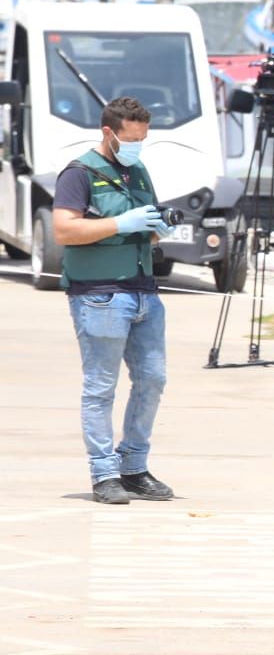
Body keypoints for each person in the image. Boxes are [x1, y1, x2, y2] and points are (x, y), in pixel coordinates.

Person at [51, 97, 173, 505]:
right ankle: (104, 473)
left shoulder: (138, 169)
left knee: (153, 379)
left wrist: (158, 227)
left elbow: (148, 225)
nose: (138, 144)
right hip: (99, 295)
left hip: (143, 291)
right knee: (100, 388)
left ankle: (134, 466)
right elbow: (65, 232)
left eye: (143, 137)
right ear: (109, 132)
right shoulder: (79, 173)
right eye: (131, 137)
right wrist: (122, 222)